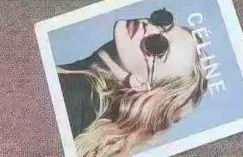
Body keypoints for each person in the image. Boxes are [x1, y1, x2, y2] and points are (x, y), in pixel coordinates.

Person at [57, 8, 209, 156]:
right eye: (163, 21)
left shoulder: (72, 97)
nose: (149, 26)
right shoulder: (83, 101)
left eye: (158, 45)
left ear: (140, 83)